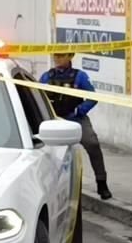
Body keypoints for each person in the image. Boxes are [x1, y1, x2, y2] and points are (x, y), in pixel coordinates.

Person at [40, 53, 112, 200]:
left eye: (61, 56)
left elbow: (92, 97)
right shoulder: (47, 77)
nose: (57, 59)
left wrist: (80, 110)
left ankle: (101, 183)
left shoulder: (80, 76)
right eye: (55, 56)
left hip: (76, 118)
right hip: (55, 120)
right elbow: (38, 96)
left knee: (92, 143)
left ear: (70, 56)